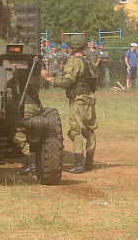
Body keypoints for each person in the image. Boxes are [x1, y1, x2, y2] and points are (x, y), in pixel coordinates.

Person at [41, 34, 97, 174]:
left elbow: (67, 82)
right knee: (89, 131)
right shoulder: (88, 61)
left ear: (72, 47)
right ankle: (89, 162)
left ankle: (79, 164)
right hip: (88, 99)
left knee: (75, 131)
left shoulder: (74, 62)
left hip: (78, 100)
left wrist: (49, 79)